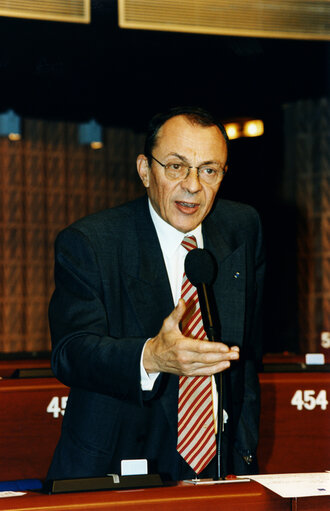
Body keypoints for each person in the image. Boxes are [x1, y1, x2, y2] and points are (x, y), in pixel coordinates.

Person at [47, 106, 265, 482]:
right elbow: (71, 352)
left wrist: (242, 452)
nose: (193, 186)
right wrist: (151, 356)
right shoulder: (91, 242)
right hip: (116, 464)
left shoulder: (242, 228)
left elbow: (246, 357)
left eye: (209, 170)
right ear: (146, 170)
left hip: (218, 466)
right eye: (176, 166)